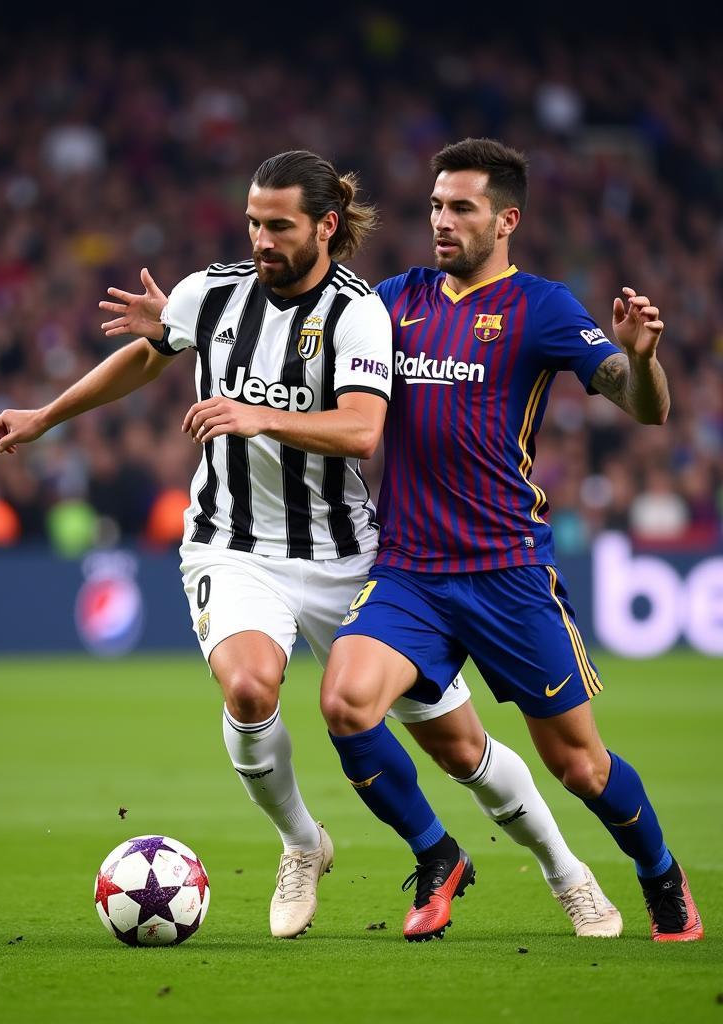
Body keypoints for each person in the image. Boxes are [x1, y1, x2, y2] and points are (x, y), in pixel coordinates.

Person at [0, 150, 620, 942]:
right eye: (252, 221)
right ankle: (301, 842)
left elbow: (361, 432)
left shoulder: (360, 313)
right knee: (250, 691)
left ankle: (566, 871)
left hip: (349, 555)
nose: (260, 238)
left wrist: (256, 415)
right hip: (231, 544)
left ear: (325, 226)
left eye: (278, 225)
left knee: (459, 748)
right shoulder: (209, 292)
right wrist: (46, 416)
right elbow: (150, 356)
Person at [318, 137, 702, 943]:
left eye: (461, 207)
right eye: (434, 206)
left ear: (507, 219)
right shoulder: (395, 299)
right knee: (347, 704)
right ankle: (437, 854)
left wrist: (641, 359)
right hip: (411, 572)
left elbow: (645, 407)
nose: (442, 221)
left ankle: (660, 873)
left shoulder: (544, 307)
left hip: (507, 573)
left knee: (581, 768)